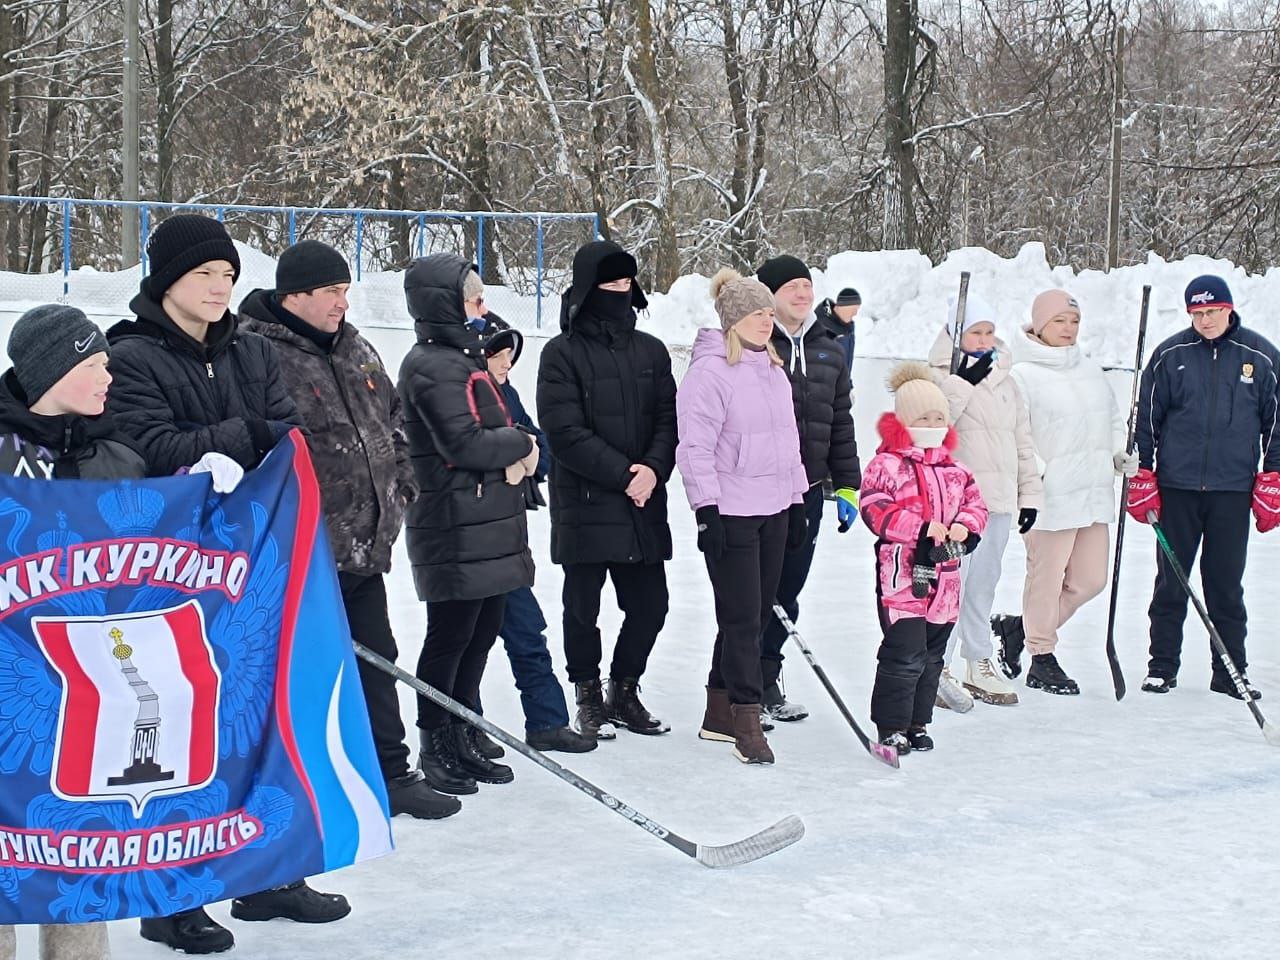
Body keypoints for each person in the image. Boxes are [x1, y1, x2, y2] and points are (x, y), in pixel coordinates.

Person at [107, 214, 348, 954]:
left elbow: (287, 429)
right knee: (172, 734)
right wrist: (238, 441)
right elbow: (145, 448)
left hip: (248, 564)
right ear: (166, 281)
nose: (218, 289)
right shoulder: (132, 355)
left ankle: (267, 875)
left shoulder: (251, 349)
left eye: (227, 277)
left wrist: (242, 442)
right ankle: (170, 898)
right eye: (203, 276)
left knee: (256, 719)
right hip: (165, 573)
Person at [238, 240, 462, 818]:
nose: (344, 301)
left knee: (377, 658)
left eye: (345, 289)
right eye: (332, 290)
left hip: (366, 544)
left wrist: (401, 486)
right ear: (295, 296)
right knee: (302, 673)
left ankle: (390, 772)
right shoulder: (260, 354)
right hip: (303, 551)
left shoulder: (357, 346)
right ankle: (303, 782)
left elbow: (393, 421)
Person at [0, 304, 148, 960]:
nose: (107, 377)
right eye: (94, 364)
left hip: (90, 693)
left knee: (82, 852)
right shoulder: (5, 453)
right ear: (53, 371)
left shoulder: (114, 453)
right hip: (11, 691)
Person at [397, 253, 537, 793]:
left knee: (481, 632)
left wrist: (514, 448)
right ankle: (436, 737)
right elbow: (464, 442)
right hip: (453, 521)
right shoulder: (430, 364)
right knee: (450, 635)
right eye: (473, 299)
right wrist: (523, 444)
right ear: (445, 305)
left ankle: (463, 726)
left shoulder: (465, 359)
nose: (483, 308)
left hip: (489, 520)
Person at [535, 241, 677, 739]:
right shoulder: (561, 354)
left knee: (650, 605)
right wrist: (625, 476)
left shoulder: (651, 350)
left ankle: (625, 687)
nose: (620, 293)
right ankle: (588, 693)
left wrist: (653, 470)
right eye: (609, 285)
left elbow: (668, 420)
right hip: (588, 502)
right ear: (586, 289)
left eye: (626, 284)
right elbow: (564, 431)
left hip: (643, 502)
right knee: (583, 608)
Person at [677, 270, 809, 764]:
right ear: (734, 319)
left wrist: (796, 500)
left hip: (773, 508)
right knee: (740, 617)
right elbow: (694, 446)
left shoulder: (772, 370)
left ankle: (717, 711)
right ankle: (746, 718)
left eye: (770, 314)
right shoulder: (709, 373)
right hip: (731, 511)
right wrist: (706, 510)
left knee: (753, 615)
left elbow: (788, 443)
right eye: (757, 314)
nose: (766, 322)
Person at [1130, 275, 1280, 699]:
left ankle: (1231, 671)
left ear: (1229, 309)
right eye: (1197, 313)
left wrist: (1273, 476)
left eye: (1212, 311)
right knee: (1170, 581)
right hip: (1177, 488)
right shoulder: (1169, 355)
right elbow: (1146, 421)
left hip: (1232, 490)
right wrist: (1143, 472)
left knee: (1226, 584)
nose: (1206, 320)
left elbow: (1277, 423)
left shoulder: (1262, 356)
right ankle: (1162, 666)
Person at [999, 289, 1133, 696]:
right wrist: (1036, 475)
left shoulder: (1089, 369)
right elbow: (1015, 434)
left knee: (1091, 579)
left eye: (1074, 322)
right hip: (1050, 497)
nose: (1068, 329)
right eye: (1059, 321)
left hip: (1092, 492)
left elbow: (1111, 418)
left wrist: (1118, 451)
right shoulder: (1021, 374)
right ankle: (1041, 656)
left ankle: (1019, 628)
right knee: (1046, 578)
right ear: (1040, 325)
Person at [480, 315, 597, 753]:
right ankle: (463, 726)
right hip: (471, 539)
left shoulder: (506, 392)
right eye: (497, 351)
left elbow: (542, 453)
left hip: (509, 535)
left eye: (511, 351)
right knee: (466, 643)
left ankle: (547, 721)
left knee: (528, 631)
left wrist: (522, 451)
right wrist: (516, 450)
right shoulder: (462, 393)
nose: (507, 360)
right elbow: (478, 451)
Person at [860, 362, 987, 755]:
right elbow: (874, 507)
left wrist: (966, 527)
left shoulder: (955, 469)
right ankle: (892, 724)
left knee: (932, 653)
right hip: (902, 575)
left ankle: (918, 720)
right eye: (923, 417)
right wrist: (918, 526)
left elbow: (975, 504)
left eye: (938, 416)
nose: (932, 423)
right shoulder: (888, 464)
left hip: (945, 577)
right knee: (905, 650)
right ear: (904, 420)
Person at [755, 255, 860, 721]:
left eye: (807, 286)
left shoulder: (829, 348)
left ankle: (768, 673)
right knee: (754, 590)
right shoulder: (754, 343)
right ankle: (740, 685)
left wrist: (848, 485)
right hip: (759, 490)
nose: (801, 294)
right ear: (769, 295)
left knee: (789, 588)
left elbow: (840, 421)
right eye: (791, 287)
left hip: (810, 489)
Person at [927, 294, 1042, 709]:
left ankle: (977, 659)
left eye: (990, 331)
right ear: (956, 337)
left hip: (998, 502)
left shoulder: (1007, 381)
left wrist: (1028, 495)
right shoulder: (938, 376)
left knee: (982, 586)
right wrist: (962, 380)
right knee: (948, 588)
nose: (985, 340)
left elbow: (1022, 442)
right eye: (976, 332)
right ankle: (936, 664)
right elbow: (933, 427)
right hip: (955, 505)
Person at [814, 286, 860, 373]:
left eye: (857, 309)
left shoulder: (848, 329)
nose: (855, 313)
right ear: (843, 306)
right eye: (854, 309)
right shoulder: (821, 327)